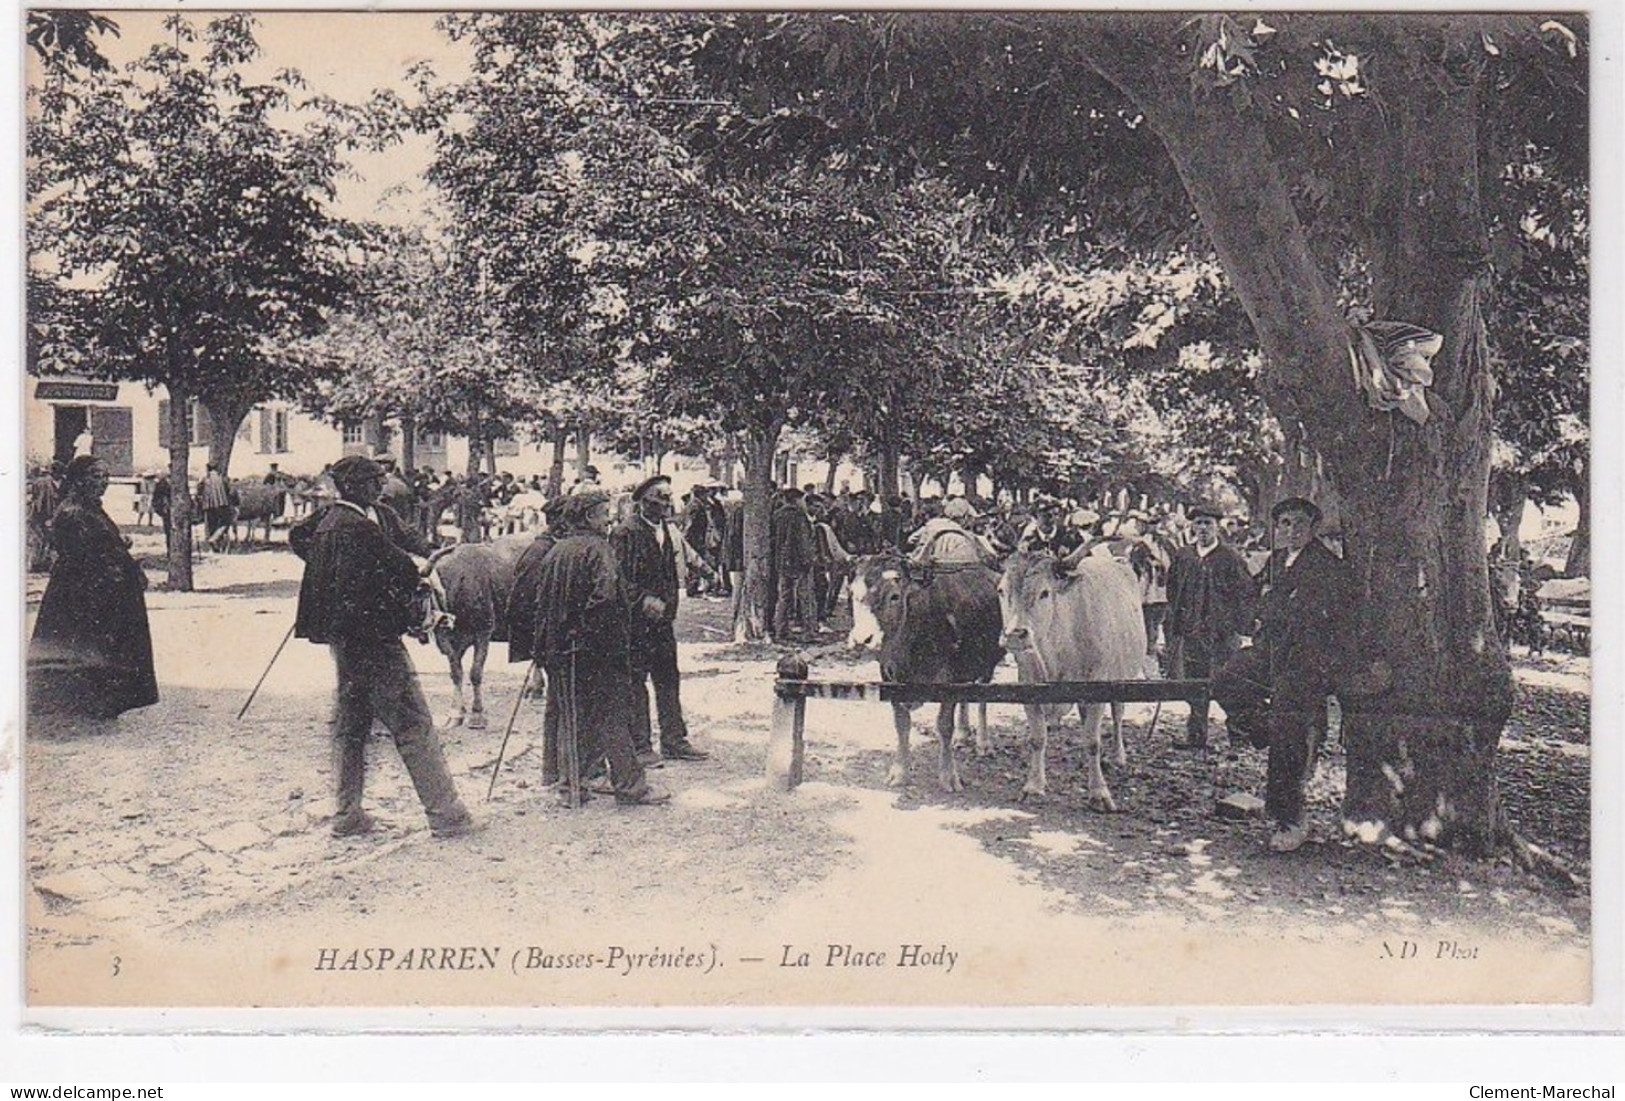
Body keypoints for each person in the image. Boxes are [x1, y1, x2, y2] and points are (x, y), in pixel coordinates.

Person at [292, 455, 479, 839]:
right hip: (376, 643)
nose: (382, 486)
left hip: (344, 644)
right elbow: (406, 572)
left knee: (351, 727)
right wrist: (426, 570)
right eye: (375, 481)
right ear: (357, 486)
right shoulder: (362, 528)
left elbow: (303, 542)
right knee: (413, 724)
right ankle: (447, 815)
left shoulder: (327, 523)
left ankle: (347, 814)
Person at [1211, 497, 1357, 853]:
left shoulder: (1326, 566)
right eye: (1284, 524)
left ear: (1313, 527)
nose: (1291, 531)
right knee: (1226, 682)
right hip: (1270, 650)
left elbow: (1325, 617)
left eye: (1299, 523)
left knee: (1290, 735)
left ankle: (1291, 819)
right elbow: (1256, 599)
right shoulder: (1276, 562)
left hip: (1305, 660)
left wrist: (1279, 615)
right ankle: (1262, 731)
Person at [531, 489, 670, 806]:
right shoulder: (599, 550)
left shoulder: (557, 551)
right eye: (604, 513)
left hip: (563, 652)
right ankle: (630, 786)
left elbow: (544, 605)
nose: (609, 519)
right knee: (613, 717)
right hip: (597, 652)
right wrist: (593, 636)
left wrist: (549, 646)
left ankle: (571, 788)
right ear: (589, 517)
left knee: (573, 718)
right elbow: (605, 599)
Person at [29, 453, 159, 726]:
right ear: (78, 480)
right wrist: (119, 554)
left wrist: (118, 545)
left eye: (105, 478)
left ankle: (98, 702)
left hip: (97, 589)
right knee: (84, 646)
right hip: (82, 592)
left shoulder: (90, 507)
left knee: (101, 647)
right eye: (95, 477)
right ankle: (81, 704)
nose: (103, 483)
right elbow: (85, 554)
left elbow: (101, 542)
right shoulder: (73, 511)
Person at [612, 474, 711, 763]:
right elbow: (618, 577)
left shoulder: (668, 531)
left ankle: (674, 739)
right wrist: (641, 599)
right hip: (636, 623)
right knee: (636, 682)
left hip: (663, 619)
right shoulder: (625, 532)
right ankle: (640, 745)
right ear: (645, 502)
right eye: (660, 499)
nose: (666, 505)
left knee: (668, 678)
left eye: (669, 499)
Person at [1164, 503, 1255, 749]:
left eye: (1208, 523)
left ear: (1217, 526)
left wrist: (1239, 626)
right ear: (1192, 526)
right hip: (1193, 633)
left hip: (1222, 635)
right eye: (1199, 523)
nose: (1203, 528)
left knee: (1229, 683)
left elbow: (1246, 594)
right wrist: (1179, 620)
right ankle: (1196, 737)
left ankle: (1240, 736)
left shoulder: (1230, 558)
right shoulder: (1184, 556)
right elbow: (1172, 590)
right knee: (1194, 686)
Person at [770, 487, 818, 642]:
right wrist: (809, 560)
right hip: (799, 562)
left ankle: (781, 630)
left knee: (784, 597)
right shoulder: (799, 516)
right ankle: (808, 632)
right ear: (797, 500)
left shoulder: (777, 515)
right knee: (806, 597)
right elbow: (804, 542)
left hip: (782, 562)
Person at [197, 462, 235, 552]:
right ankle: (214, 538)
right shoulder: (222, 479)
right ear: (217, 468)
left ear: (208, 469)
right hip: (222, 505)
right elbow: (231, 492)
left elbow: (198, 492)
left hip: (208, 506)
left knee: (211, 526)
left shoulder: (205, 480)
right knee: (225, 523)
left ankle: (213, 548)